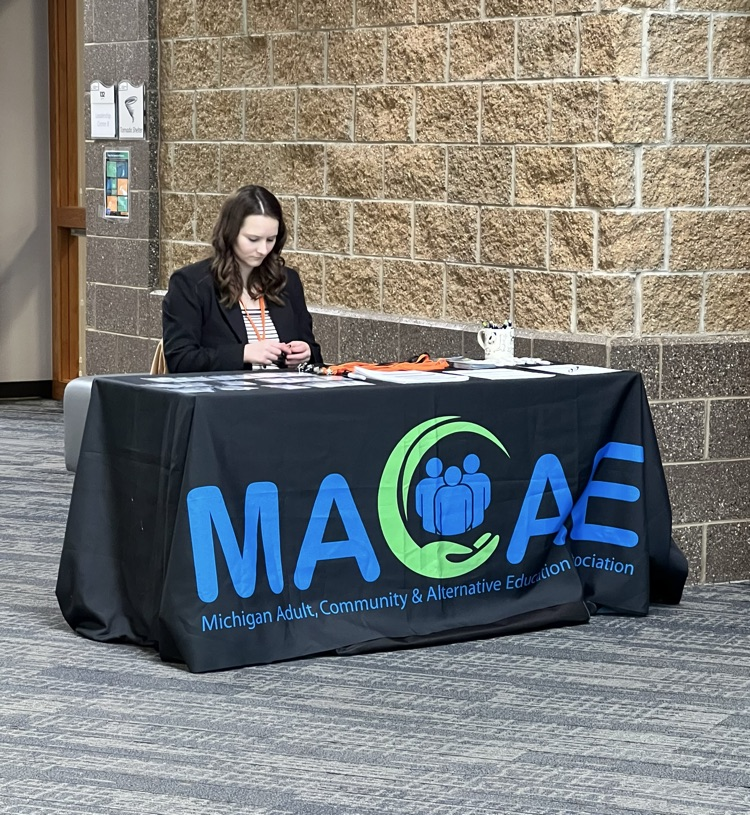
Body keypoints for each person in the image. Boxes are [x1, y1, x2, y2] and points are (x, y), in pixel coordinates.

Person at [162, 185, 323, 373]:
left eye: (270, 239)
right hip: (225, 399)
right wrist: (243, 353)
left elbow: (315, 357)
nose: (263, 249)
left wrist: (307, 353)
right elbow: (180, 360)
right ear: (230, 233)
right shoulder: (191, 283)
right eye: (253, 239)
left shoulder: (288, 281)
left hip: (285, 398)